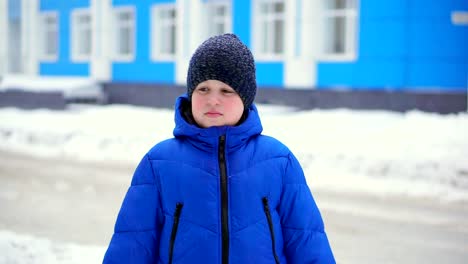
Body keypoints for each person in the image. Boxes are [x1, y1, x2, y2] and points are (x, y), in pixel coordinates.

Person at [103, 33, 335, 264]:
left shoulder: (278, 161)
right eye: (203, 89)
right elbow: (131, 243)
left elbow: (307, 240)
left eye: (226, 91)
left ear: (245, 98)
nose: (213, 100)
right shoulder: (158, 163)